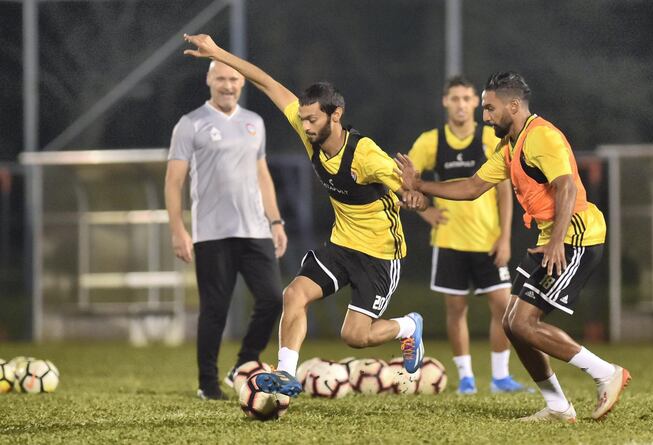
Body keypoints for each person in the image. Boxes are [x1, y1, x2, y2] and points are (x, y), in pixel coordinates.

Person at [182, 33, 427, 397]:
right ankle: (285, 375)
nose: (307, 126)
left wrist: (415, 198)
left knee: (355, 337)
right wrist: (217, 52)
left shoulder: (366, 155)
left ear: (336, 115)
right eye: (304, 119)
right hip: (343, 244)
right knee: (294, 294)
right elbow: (265, 81)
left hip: (379, 254)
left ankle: (408, 327)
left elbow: (412, 190)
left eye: (313, 119)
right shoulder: (306, 127)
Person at [396, 71, 630, 422]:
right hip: (552, 238)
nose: (484, 116)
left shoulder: (541, 137)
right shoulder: (510, 146)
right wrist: (421, 185)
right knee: (511, 323)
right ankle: (557, 406)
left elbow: (566, 187)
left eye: (490, 109)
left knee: (522, 323)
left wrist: (555, 243)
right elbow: (473, 186)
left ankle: (606, 373)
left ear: (514, 106)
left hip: (576, 238)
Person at [165, 60, 287, 400]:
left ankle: (244, 364)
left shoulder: (254, 123)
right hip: (212, 233)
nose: (228, 85)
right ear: (209, 80)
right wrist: (178, 229)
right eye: (221, 78)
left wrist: (275, 221)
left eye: (234, 78)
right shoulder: (190, 125)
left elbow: (262, 174)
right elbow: (173, 182)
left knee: (272, 298)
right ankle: (207, 383)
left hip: (256, 230)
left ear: (242, 82)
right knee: (215, 310)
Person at [406, 75, 527, 394]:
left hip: (488, 240)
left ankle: (500, 376)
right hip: (449, 241)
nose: (461, 104)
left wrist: (505, 237)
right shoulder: (431, 141)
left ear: (476, 103)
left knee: (503, 306)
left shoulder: (490, 139)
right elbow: (404, 183)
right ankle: (467, 378)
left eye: (467, 99)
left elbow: (505, 189)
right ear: (445, 102)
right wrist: (427, 211)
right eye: (455, 98)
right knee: (455, 309)